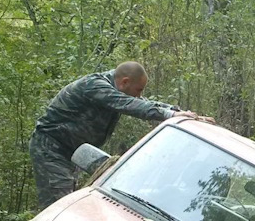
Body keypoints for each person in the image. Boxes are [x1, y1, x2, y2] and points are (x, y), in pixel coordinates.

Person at [28, 62, 209, 210]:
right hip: (51, 147)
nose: (140, 95)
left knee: (68, 202)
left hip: (73, 152)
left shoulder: (117, 88)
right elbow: (128, 104)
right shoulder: (94, 86)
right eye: (138, 89)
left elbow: (141, 102)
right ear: (124, 82)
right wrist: (169, 115)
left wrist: (180, 113)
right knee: (59, 207)